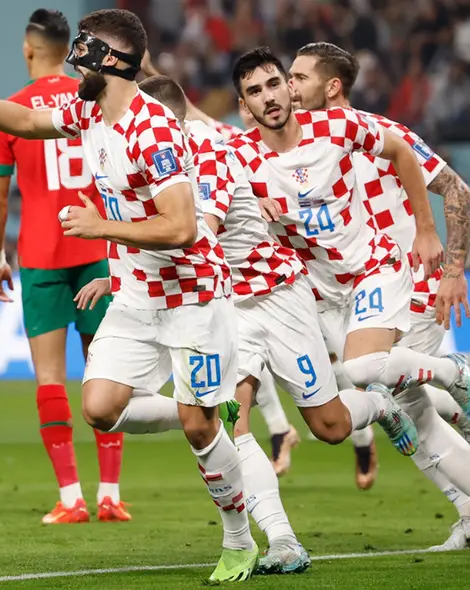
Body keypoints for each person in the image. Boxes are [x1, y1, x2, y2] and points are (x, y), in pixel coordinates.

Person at [0, 9, 258, 582]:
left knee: (202, 432)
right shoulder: (88, 110)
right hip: (136, 296)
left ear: (111, 60)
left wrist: (103, 230)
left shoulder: (150, 129)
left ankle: (238, 538)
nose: (74, 55)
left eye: (85, 46)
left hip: (192, 295)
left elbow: (181, 227)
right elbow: (26, 121)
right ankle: (197, 410)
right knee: (100, 409)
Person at [231, 47, 470, 564]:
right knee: (413, 415)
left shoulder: (339, 126)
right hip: (323, 294)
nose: (272, 96)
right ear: (244, 104)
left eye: (279, 83)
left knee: (362, 368)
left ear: (290, 87)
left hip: (379, 267)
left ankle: (451, 372)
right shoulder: (236, 156)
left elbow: (400, 152)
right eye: (254, 92)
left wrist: (424, 227)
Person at [137, 74, 314, 574]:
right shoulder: (160, 157)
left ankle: (388, 401)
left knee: (331, 423)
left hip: (266, 296)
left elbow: (200, 233)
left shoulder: (205, 151)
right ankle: (280, 539)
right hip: (218, 299)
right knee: (231, 423)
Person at [0, 9, 128, 525]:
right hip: (95, 249)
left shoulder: (12, 111)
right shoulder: (92, 100)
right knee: (105, 371)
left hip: (41, 254)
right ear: (68, 49)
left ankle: (71, 500)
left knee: (49, 377)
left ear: (28, 49)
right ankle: (110, 493)